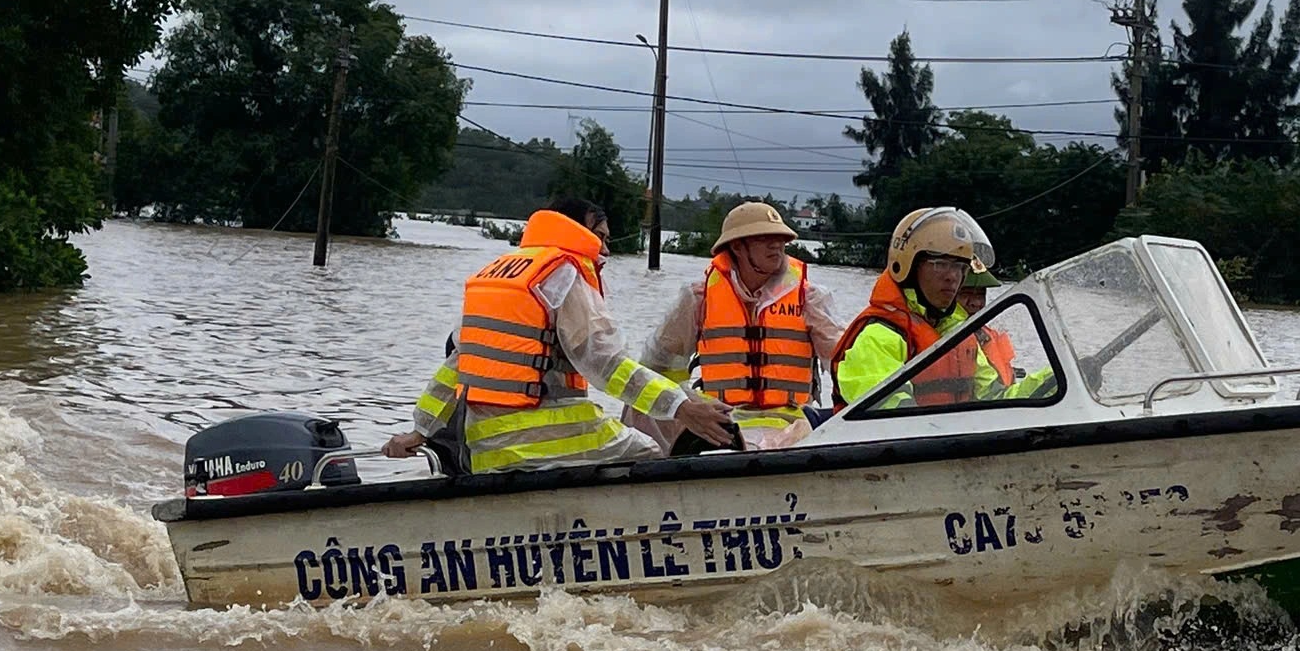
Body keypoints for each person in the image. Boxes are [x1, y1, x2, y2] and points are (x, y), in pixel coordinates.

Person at [386, 197, 734, 473]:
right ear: (577, 231)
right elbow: (608, 367)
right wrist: (682, 408)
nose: (607, 251)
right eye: (601, 238)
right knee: (647, 451)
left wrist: (420, 430)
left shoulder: (500, 273)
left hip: (484, 450)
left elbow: (456, 364)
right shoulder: (563, 274)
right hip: (541, 441)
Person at [640, 202, 847, 450]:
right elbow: (657, 368)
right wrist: (690, 407)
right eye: (764, 237)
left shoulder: (810, 298)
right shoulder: (699, 298)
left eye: (781, 237)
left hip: (791, 425)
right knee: (640, 401)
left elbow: (843, 364)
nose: (777, 244)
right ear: (737, 246)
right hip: (721, 423)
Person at [830, 206, 1004, 409]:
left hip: (951, 438)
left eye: (960, 267)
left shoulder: (960, 333)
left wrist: (1047, 382)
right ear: (909, 266)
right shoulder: (878, 338)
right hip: (902, 440)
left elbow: (998, 399)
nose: (952, 277)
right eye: (940, 264)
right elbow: (895, 420)